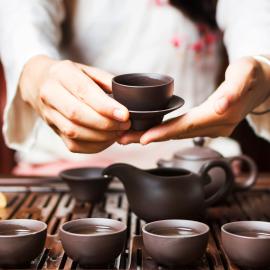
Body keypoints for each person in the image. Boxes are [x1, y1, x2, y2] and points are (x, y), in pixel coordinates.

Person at [0, 0, 270, 175]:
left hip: (199, 170)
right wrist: (34, 69)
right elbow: (22, 13)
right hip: (66, 167)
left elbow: (253, 15)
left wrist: (261, 65)